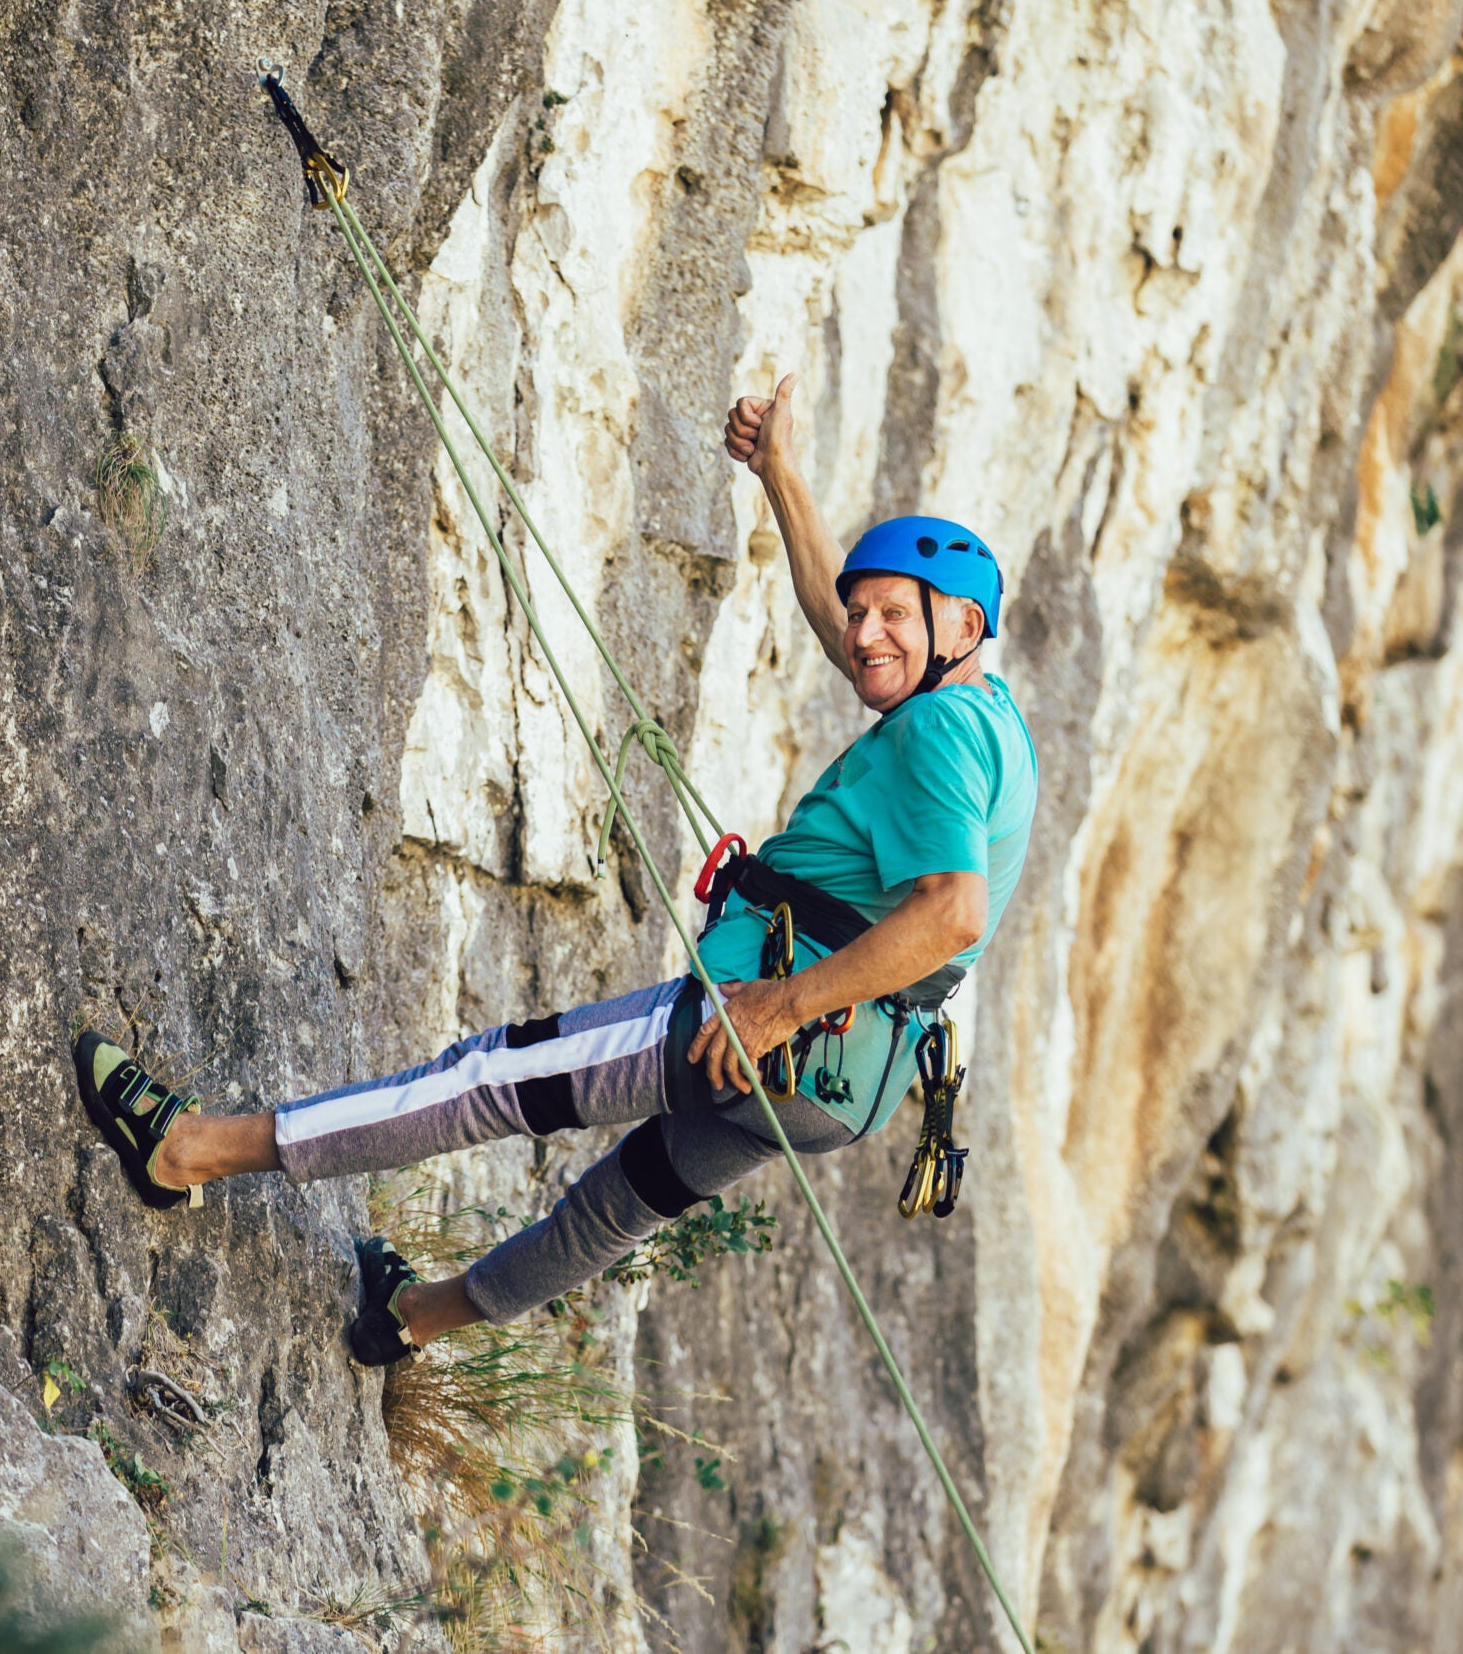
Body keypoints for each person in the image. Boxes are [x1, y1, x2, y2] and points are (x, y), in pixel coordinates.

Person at [72, 374, 1040, 1364]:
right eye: (860, 610)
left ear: (959, 628)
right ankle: (411, 1320)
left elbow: (952, 912)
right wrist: (777, 474)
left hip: (769, 1027)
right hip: (845, 1084)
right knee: (620, 1207)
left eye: (893, 616)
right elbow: (856, 644)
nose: (864, 634)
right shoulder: (986, 719)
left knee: (490, 1081)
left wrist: (777, 1005)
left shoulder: (940, 732)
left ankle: (188, 1148)